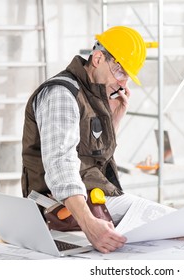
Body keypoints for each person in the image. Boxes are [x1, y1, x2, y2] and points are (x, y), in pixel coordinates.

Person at [21, 26, 150, 253]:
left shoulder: (92, 94)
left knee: (169, 225)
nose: (123, 84)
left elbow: (92, 160)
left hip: (93, 195)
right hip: (61, 207)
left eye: (127, 77)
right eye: (120, 72)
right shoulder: (62, 94)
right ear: (98, 58)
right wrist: (89, 224)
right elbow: (61, 164)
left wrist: (113, 119)